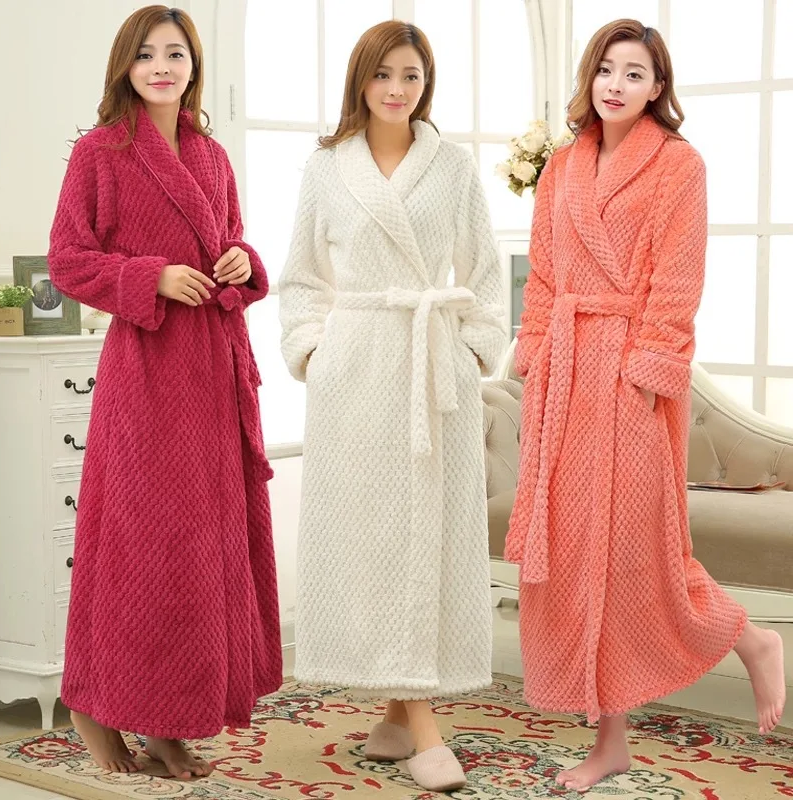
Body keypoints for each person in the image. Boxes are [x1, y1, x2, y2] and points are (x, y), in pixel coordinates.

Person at [505, 19, 786, 792]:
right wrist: (534, 361)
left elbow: (678, 280)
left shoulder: (677, 165)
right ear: (589, 77)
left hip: (630, 381)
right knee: (579, 559)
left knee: (643, 557)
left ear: (658, 87)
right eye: (606, 69)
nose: (616, 85)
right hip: (566, 379)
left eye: (635, 73)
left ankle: (751, 639)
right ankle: (611, 742)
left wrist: (643, 375)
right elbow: (545, 279)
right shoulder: (563, 167)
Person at [47, 4, 282, 779]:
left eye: (175, 54)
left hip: (214, 373)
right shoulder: (99, 153)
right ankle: (96, 702)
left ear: (193, 66)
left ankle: (168, 718)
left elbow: (230, 242)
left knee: (198, 554)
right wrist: (150, 277)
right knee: (142, 546)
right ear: (125, 64)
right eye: (146, 54)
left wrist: (241, 262)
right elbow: (67, 260)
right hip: (146, 375)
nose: (161, 66)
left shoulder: (210, 154)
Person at [278, 20, 506, 793]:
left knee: (426, 536)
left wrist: (474, 350)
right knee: (370, 537)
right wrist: (314, 353)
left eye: (411, 75)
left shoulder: (453, 167)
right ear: (361, 81)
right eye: (383, 75)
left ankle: (412, 721)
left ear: (426, 82)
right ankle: (409, 719)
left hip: (430, 366)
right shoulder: (327, 168)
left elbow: (484, 269)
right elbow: (303, 276)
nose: (397, 89)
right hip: (356, 372)